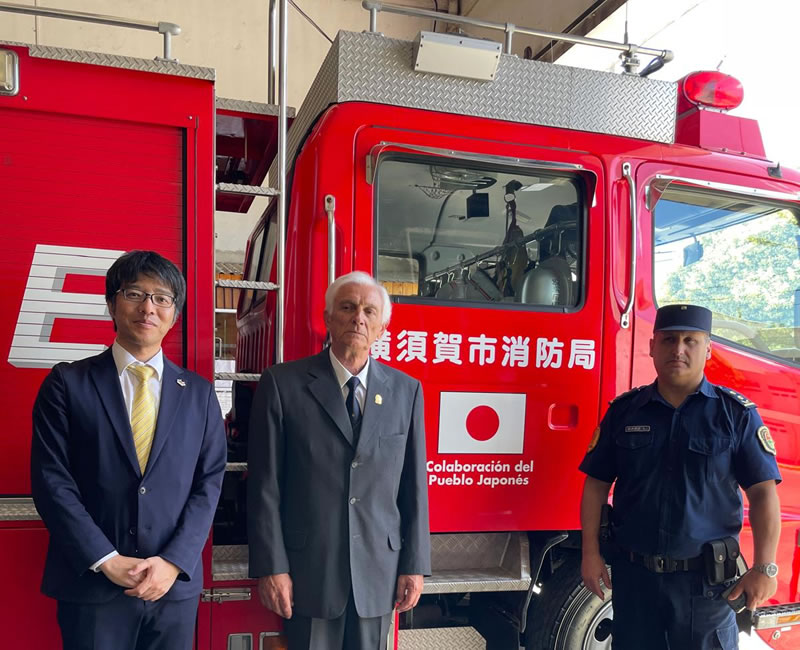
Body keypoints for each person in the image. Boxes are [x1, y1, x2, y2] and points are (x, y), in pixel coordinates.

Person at [31, 250, 227, 650]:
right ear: (111, 304)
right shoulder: (68, 385)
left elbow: (208, 484)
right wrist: (106, 559)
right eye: (135, 293)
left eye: (162, 298)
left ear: (174, 313)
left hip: (171, 590)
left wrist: (173, 562)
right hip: (92, 586)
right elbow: (52, 482)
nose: (148, 308)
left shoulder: (200, 395)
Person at [579, 303, 781, 650]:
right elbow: (595, 486)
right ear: (652, 346)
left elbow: (763, 493)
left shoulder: (735, 416)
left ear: (708, 349)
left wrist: (765, 567)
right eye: (669, 340)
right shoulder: (624, 413)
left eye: (691, 340)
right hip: (636, 581)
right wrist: (590, 553)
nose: (679, 349)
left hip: (706, 588)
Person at [247, 271, 431, 650]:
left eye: (369, 311)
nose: (358, 318)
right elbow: (265, 487)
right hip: (308, 572)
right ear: (328, 319)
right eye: (347, 307)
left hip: (379, 573)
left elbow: (413, 486)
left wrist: (414, 563)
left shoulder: (406, 392)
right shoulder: (283, 385)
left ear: (381, 327)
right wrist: (272, 566)